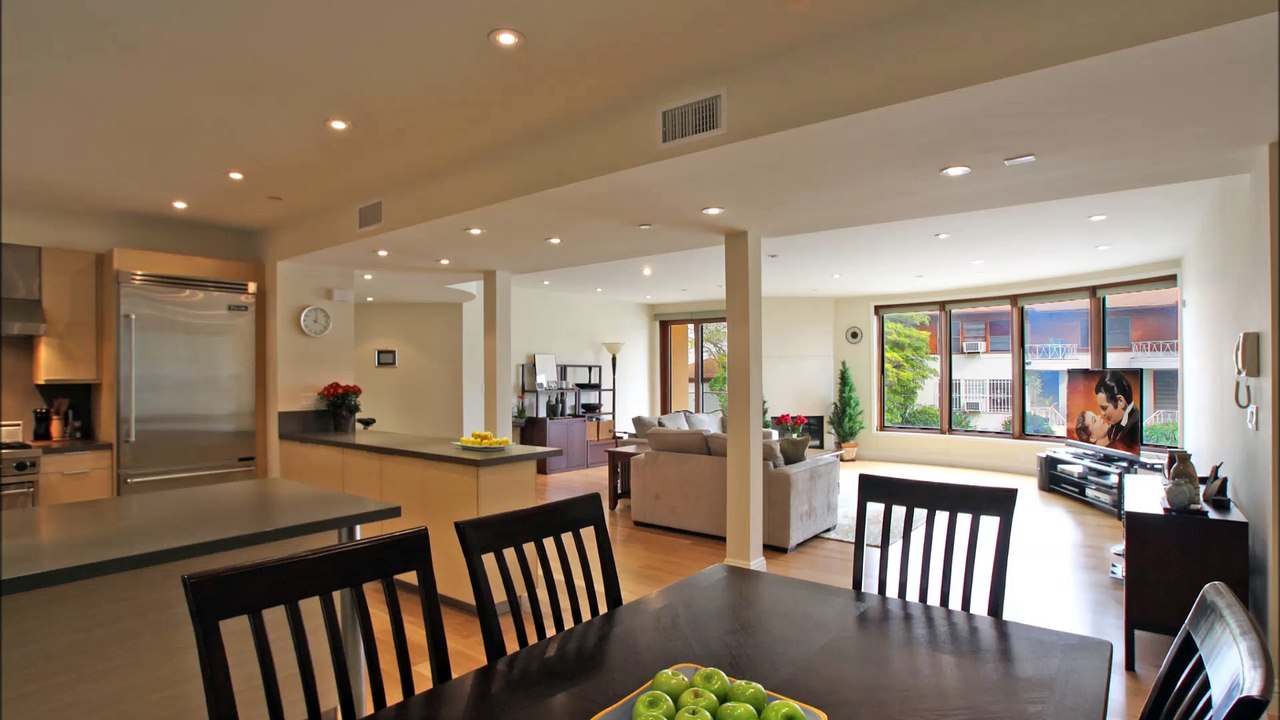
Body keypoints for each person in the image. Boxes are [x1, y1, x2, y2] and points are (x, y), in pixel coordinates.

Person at [1095, 370, 1140, 453]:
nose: (1102, 413)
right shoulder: (1112, 427)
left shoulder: (1136, 427)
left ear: (1120, 401)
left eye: (1104, 408)